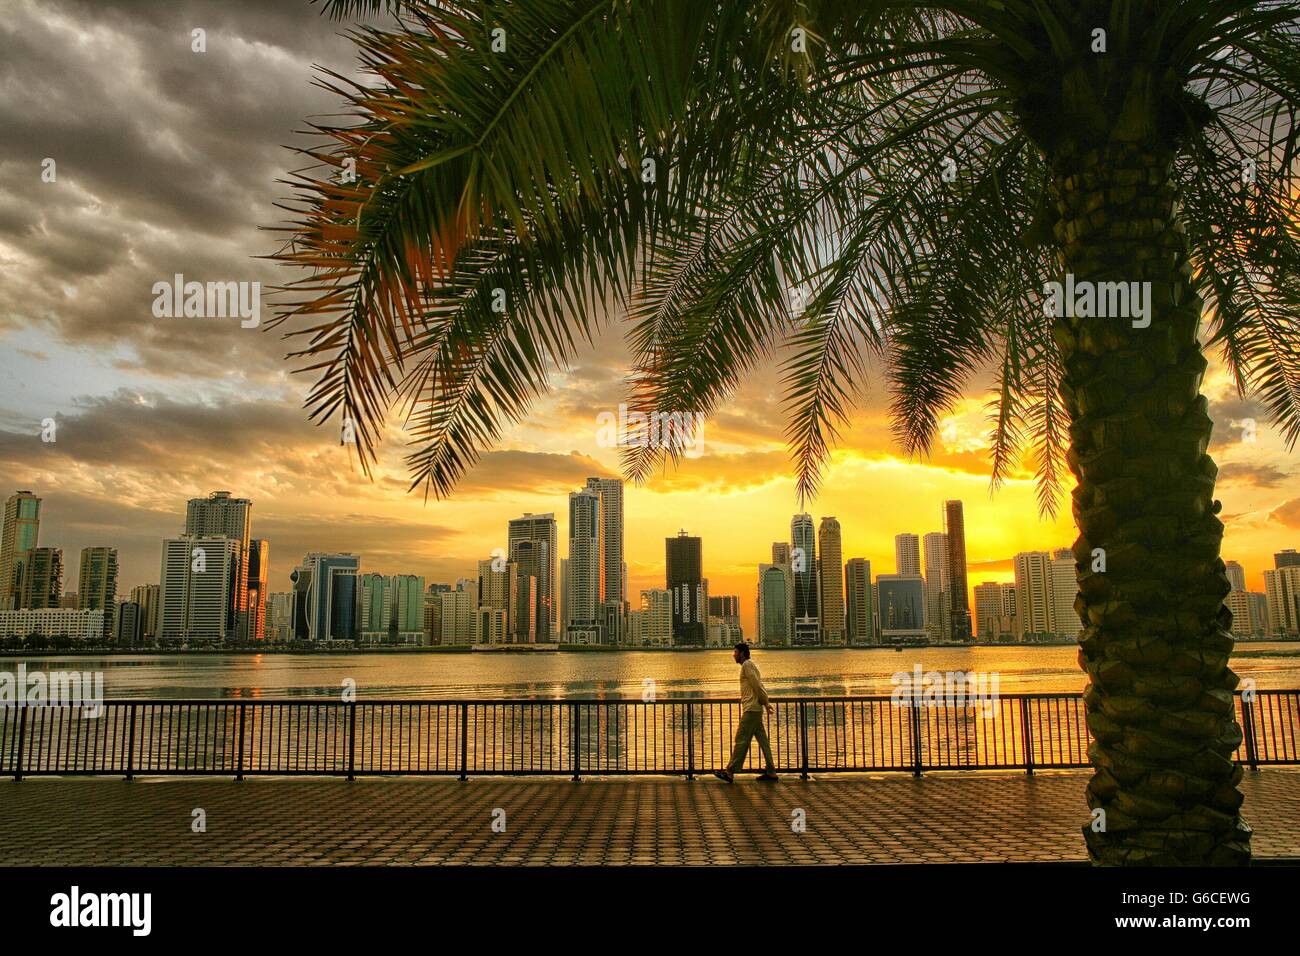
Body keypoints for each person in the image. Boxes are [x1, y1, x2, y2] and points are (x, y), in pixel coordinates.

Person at [714, 641, 778, 783]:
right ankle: (771, 771)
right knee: (763, 741)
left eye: (735, 652)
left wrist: (766, 702)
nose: (733, 655)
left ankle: (730, 771)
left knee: (741, 739)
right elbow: (755, 686)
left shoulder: (747, 665)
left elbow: (757, 685)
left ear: (742, 653)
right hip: (754, 709)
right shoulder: (750, 665)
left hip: (751, 710)